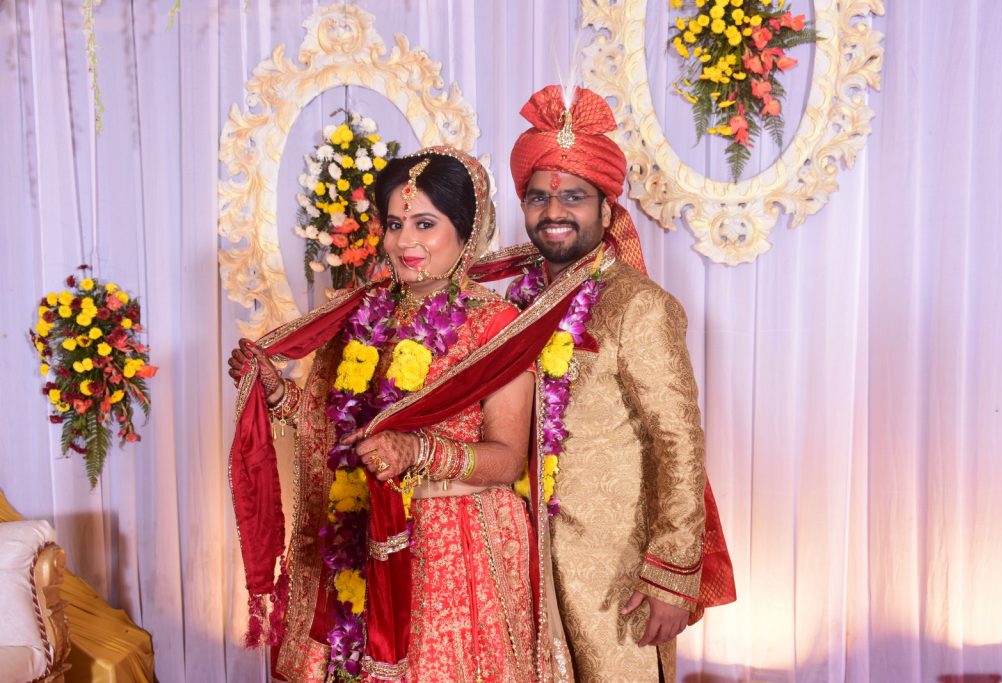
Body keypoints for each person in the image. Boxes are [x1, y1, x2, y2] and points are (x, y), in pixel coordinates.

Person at [227, 148, 537, 682]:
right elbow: (338, 429)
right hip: (368, 535)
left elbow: (508, 460)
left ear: (465, 231)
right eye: (394, 225)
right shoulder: (367, 312)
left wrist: (417, 451)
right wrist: (280, 395)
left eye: (425, 224)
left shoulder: (499, 324)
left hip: (458, 546)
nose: (404, 242)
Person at [492, 84, 738, 681]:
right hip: (524, 565)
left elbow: (678, 443)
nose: (554, 212)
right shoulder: (513, 303)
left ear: (606, 210)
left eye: (574, 196)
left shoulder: (638, 306)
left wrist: (672, 576)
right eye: (539, 198)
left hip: (616, 579)